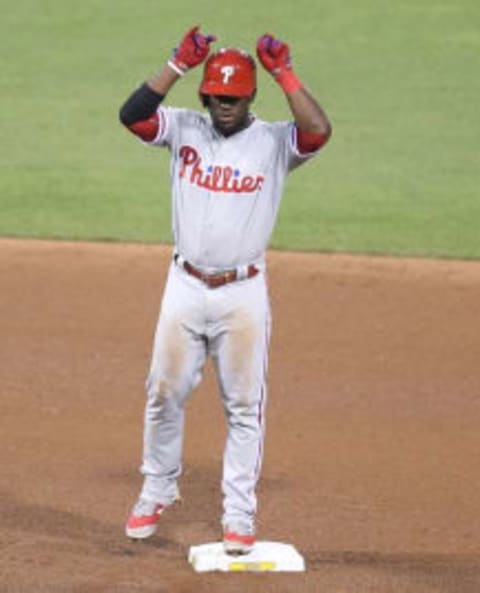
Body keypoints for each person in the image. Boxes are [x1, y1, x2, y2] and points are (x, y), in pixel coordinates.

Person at [119, 25, 332, 555]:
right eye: (217, 95)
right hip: (184, 287)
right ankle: (156, 489)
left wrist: (285, 72)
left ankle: (239, 514)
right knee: (162, 394)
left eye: (235, 97)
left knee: (243, 406)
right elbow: (133, 116)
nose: (225, 105)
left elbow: (319, 131)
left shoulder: (275, 141)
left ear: (251, 95)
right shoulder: (184, 127)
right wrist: (176, 64)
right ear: (205, 94)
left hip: (243, 295)